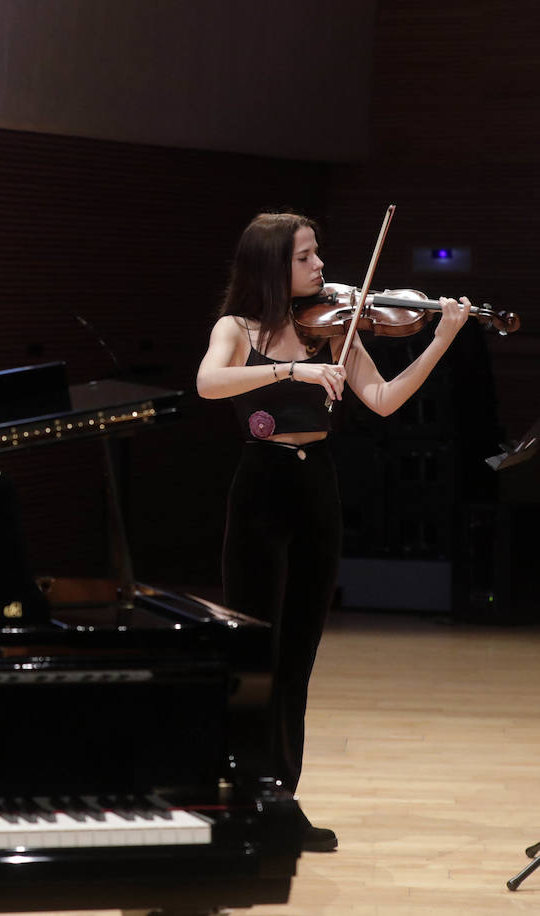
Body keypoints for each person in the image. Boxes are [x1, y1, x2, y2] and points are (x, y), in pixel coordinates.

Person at [195, 212, 472, 853]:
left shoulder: (332, 330)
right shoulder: (236, 329)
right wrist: (289, 373)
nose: (321, 268)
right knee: (254, 654)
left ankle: (282, 799)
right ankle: (240, 795)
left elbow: (383, 399)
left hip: (315, 488)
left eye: (318, 255)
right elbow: (209, 384)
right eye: (305, 258)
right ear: (272, 265)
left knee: (298, 660)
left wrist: (441, 338)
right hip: (260, 487)